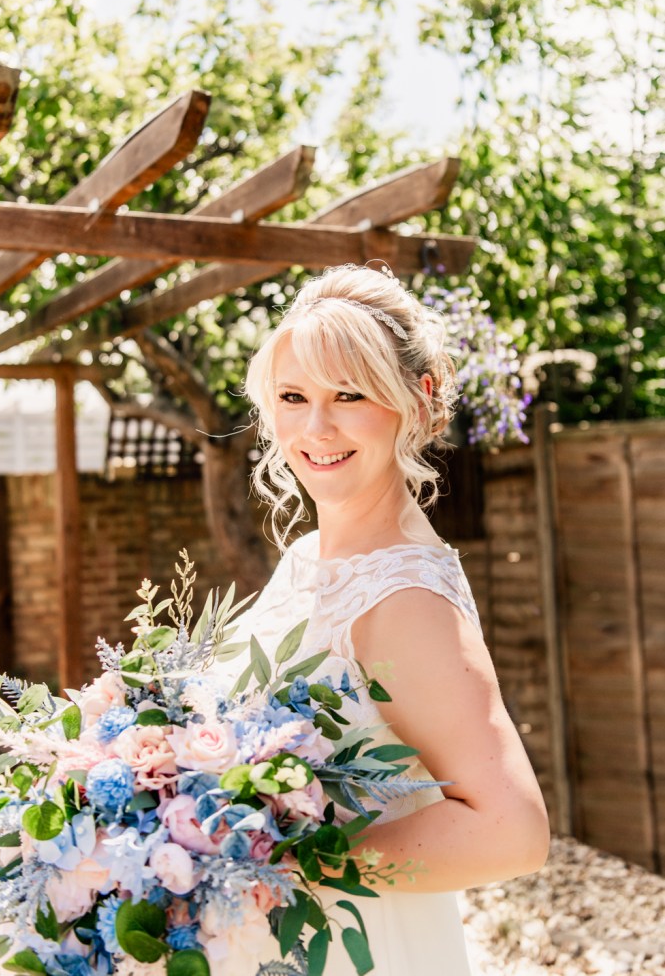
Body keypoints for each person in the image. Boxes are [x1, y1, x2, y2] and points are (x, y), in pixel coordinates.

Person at [228, 263, 550, 974]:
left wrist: (283, 866)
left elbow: (510, 829)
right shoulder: (309, 556)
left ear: (418, 396)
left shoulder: (402, 596)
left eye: (349, 393)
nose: (316, 426)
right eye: (292, 396)